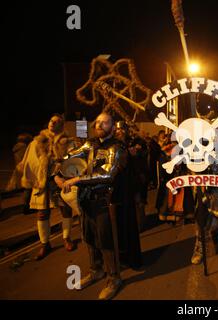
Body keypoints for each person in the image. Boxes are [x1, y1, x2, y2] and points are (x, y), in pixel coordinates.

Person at [62, 113, 141, 300]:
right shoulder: (90, 143)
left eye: (105, 122)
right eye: (97, 121)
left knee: (106, 240)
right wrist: (58, 165)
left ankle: (114, 278)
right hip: (86, 200)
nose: (99, 124)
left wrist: (77, 180)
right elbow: (70, 156)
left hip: (105, 201)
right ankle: (96, 270)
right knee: (89, 237)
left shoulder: (117, 147)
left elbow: (107, 176)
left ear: (112, 128)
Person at [20, 114, 76, 260]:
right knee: (42, 213)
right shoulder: (37, 141)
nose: (53, 123)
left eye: (57, 121)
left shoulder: (68, 142)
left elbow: (72, 162)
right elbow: (30, 162)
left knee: (66, 209)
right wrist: (35, 178)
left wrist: (60, 171)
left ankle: (66, 238)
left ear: (62, 125)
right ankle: (45, 244)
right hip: (42, 182)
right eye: (51, 120)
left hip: (60, 181)